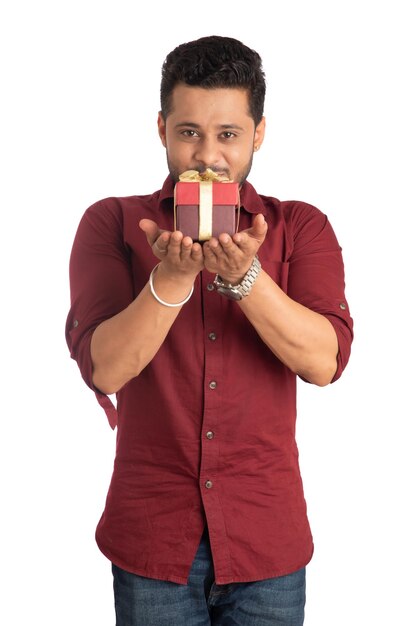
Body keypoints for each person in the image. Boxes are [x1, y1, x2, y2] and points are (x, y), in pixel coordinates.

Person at [66, 35, 353, 626]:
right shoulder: (113, 222)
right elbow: (106, 368)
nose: (208, 155)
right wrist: (171, 279)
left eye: (228, 134)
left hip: (266, 540)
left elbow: (323, 362)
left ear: (258, 133)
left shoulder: (300, 227)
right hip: (153, 540)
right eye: (188, 131)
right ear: (162, 129)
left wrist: (246, 277)